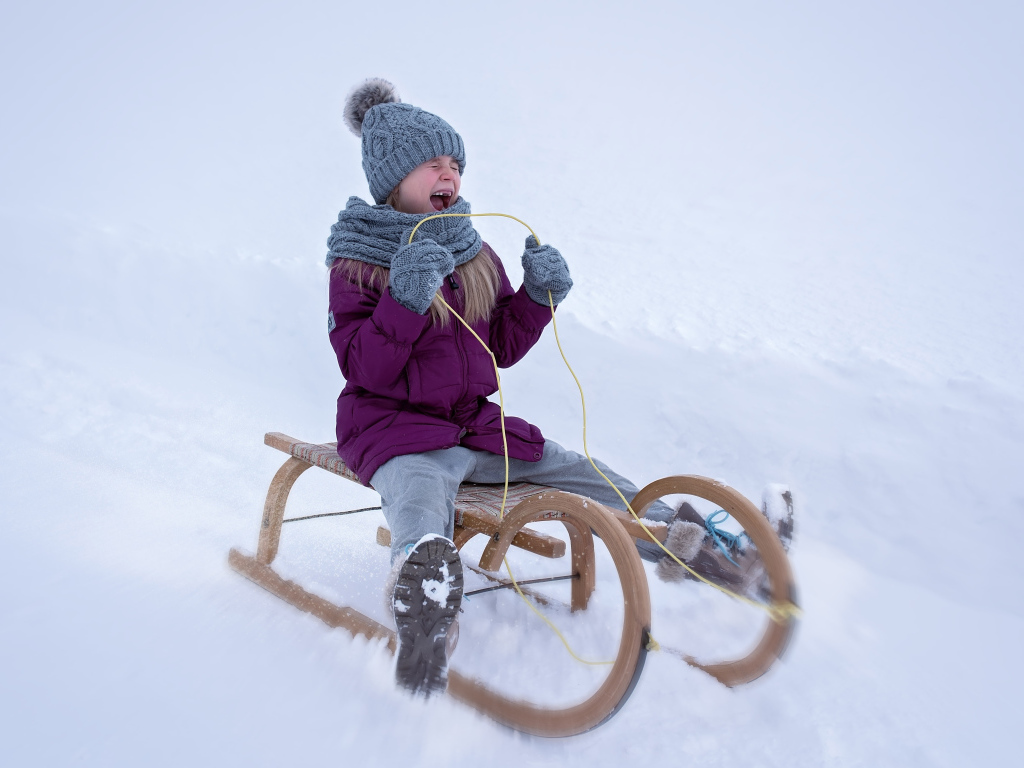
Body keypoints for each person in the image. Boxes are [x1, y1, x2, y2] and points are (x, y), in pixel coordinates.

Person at [325, 79, 774, 697]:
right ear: (394, 177)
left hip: (473, 426)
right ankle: (425, 601)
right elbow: (364, 368)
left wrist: (537, 297)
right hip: (394, 432)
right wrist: (404, 299)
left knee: (579, 470)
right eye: (433, 163)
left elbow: (501, 346)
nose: (449, 174)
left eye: (455, 163)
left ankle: (695, 545)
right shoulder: (356, 262)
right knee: (420, 494)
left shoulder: (471, 251)